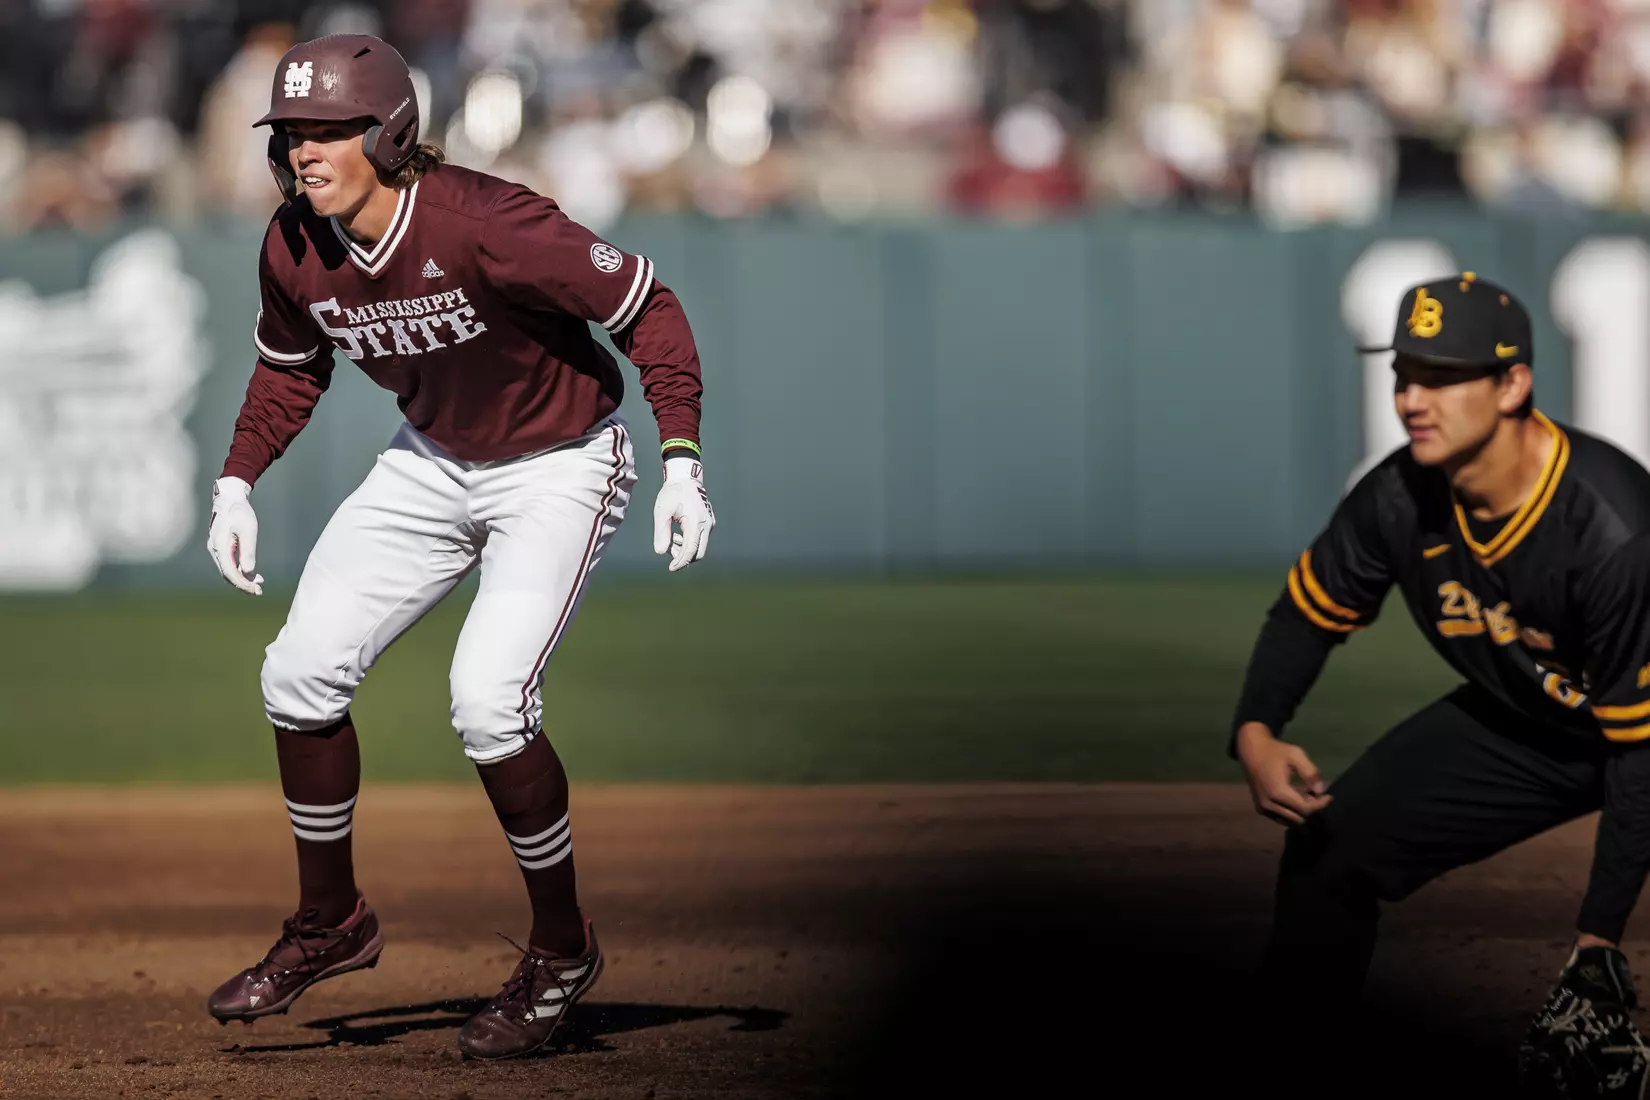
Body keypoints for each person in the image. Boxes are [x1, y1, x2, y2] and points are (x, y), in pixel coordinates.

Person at [200, 34, 714, 1062]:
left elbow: (646, 305)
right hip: (432, 458)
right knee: (297, 675)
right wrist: (236, 480)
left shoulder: (488, 223)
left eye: (328, 129)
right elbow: (290, 370)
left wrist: (684, 456)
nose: (304, 151)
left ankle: (563, 949)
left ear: (390, 132)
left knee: (487, 701)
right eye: (291, 132)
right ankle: (330, 920)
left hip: (562, 461)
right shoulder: (294, 244)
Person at [1229, 272, 1650, 1093]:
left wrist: (1597, 940)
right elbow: (1306, 613)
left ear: (1512, 385)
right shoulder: (1396, 499)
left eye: (1443, 375)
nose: (1413, 398)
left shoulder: (1612, 526)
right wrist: (1256, 728)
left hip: (1646, 731)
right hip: (1535, 723)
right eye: (1404, 374)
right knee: (1331, 850)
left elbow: (1641, 751)